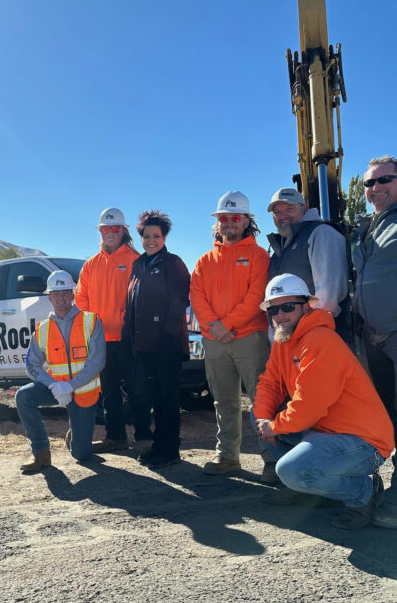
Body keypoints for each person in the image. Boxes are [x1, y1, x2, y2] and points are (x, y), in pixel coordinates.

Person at [254, 274, 394, 529]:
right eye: (274, 309)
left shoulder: (320, 340)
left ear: (306, 306)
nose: (280, 315)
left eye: (288, 307)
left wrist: (274, 427)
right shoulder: (283, 341)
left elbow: (310, 405)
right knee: (260, 414)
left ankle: (363, 492)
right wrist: (264, 418)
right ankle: (311, 488)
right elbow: (269, 383)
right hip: (323, 431)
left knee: (290, 470)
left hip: (363, 442)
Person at [190, 191, 277, 481]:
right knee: (224, 401)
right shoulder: (204, 260)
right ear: (218, 222)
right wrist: (215, 326)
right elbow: (197, 296)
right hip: (214, 341)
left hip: (249, 338)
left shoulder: (258, 256)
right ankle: (227, 456)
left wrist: (225, 325)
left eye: (235, 217)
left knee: (261, 399)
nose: (229, 222)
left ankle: (272, 460)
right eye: (224, 218)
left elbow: (256, 297)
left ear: (246, 221)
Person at [75, 207, 152, 453]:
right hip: (100, 340)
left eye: (115, 228)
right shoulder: (90, 265)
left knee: (138, 389)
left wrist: (125, 318)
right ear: (100, 231)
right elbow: (80, 297)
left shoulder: (135, 260)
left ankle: (143, 437)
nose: (110, 232)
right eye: (106, 228)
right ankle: (115, 437)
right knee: (108, 393)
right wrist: (92, 322)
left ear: (123, 231)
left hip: (128, 339)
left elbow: (143, 298)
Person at [16, 270, 106, 472]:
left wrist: (70, 386)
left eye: (65, 292)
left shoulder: (91, 322)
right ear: (49, 297)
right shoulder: (42, 329)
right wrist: (54, 385)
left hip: (82, 392)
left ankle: (75, 434)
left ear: (73, 294)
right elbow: (32, 364)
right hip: (55, 389)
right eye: (56, 293)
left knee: (82, 455)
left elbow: (97, 361)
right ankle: (41, 454)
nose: (61, 298)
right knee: (23, 397)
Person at [122, 210, 190, 469]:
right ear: (140, 237)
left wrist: (169, 336)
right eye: (147, 236)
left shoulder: (173, 263)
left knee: (167, 398)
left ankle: (170, 449)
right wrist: (129, 336)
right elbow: (132, 304)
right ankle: (156, 446)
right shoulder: (139, 265)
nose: (152, 240)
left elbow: (179, 300)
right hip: (143, 346)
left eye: (157, 236)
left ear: (164, 237)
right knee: (151, 397)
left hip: (166, 345)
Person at [351, 154, 397, 528]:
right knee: (389, 415)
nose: (375, 188)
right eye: (369, 183)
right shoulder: (368, 228)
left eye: (384, 180)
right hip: (374, 338)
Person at [266, 187, 350, 342]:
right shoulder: (284, 245)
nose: (282, 216)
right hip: (291, 334)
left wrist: (309, 329)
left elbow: (328, 295)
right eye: (277, 212)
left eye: (289, 209)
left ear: (304, 208)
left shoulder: (322, 233)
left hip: (319, 334)